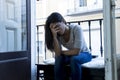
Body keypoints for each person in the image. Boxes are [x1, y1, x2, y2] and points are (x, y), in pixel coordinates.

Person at [45, 12, 92, 80]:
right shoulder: (57, 35)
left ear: (63, 21)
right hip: (71, 54)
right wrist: (54, 37)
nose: (56, 29)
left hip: (85, 53)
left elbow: (77, 51)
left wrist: (62, 52)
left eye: (57, 26)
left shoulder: (76, 28)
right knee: (59, 58)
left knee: (74, 59)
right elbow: (58, 54)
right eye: (53, 28)